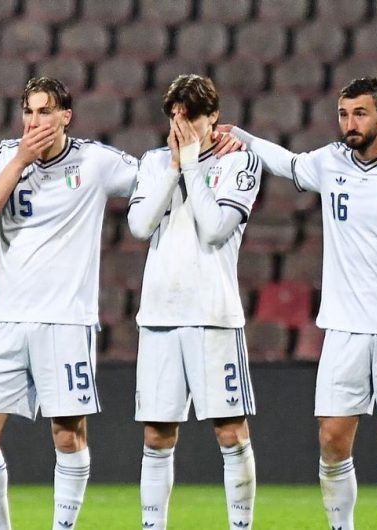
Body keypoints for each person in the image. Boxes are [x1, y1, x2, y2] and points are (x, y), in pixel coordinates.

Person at [220, 77, 377, 530]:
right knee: (332, 439)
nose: (350, 123)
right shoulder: (330, 161)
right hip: (343, 328)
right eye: (343, 114)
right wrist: (242, 137)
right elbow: (287, 163)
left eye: (360, 113)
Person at [0, 76, 139, 530]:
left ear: (65, 117)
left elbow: (153, 178)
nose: (34, 121)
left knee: (67, 435)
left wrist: (196, 154)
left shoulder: (95, 161)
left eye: (44, 111)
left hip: (65, 321)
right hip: (6, 321)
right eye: (28, 111)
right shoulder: (7, 154)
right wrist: (20, 160)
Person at [127, 74, 260, 530]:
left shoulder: (239, 162)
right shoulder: (152, 162)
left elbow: (216, 227)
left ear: (213, 117)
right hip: (159, 314)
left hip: (213, 315)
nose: (181, 127)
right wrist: (173, 166)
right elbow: (140, 226)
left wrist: (191, 164)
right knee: (156, 435)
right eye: (175, 118)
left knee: (230, 432)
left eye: (191, 119)